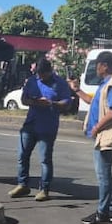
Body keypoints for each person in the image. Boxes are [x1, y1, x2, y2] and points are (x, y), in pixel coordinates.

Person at [71, 50, 112, 224]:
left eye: (98, 64)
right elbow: (91, 101)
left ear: (105, 66)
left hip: (106, 135)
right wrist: (77, 90)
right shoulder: (105, 83)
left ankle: (102, 212)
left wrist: (96, 127)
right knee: (106, 174)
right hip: (102, 135)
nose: (96, 68)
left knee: (102, 175)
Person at [8, 58, 72, 202]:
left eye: (43, 75)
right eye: (38, 74)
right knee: (22, 155)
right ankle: (23, 184)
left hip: (48, 126)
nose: (40, 77)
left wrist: (52, 103)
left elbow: (67, 103)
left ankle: (45, 189)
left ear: (50, 71)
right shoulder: (32, 81)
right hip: (31, 123)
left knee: (45, 159)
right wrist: (35, 102)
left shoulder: (59, 83)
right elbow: (24, 99)